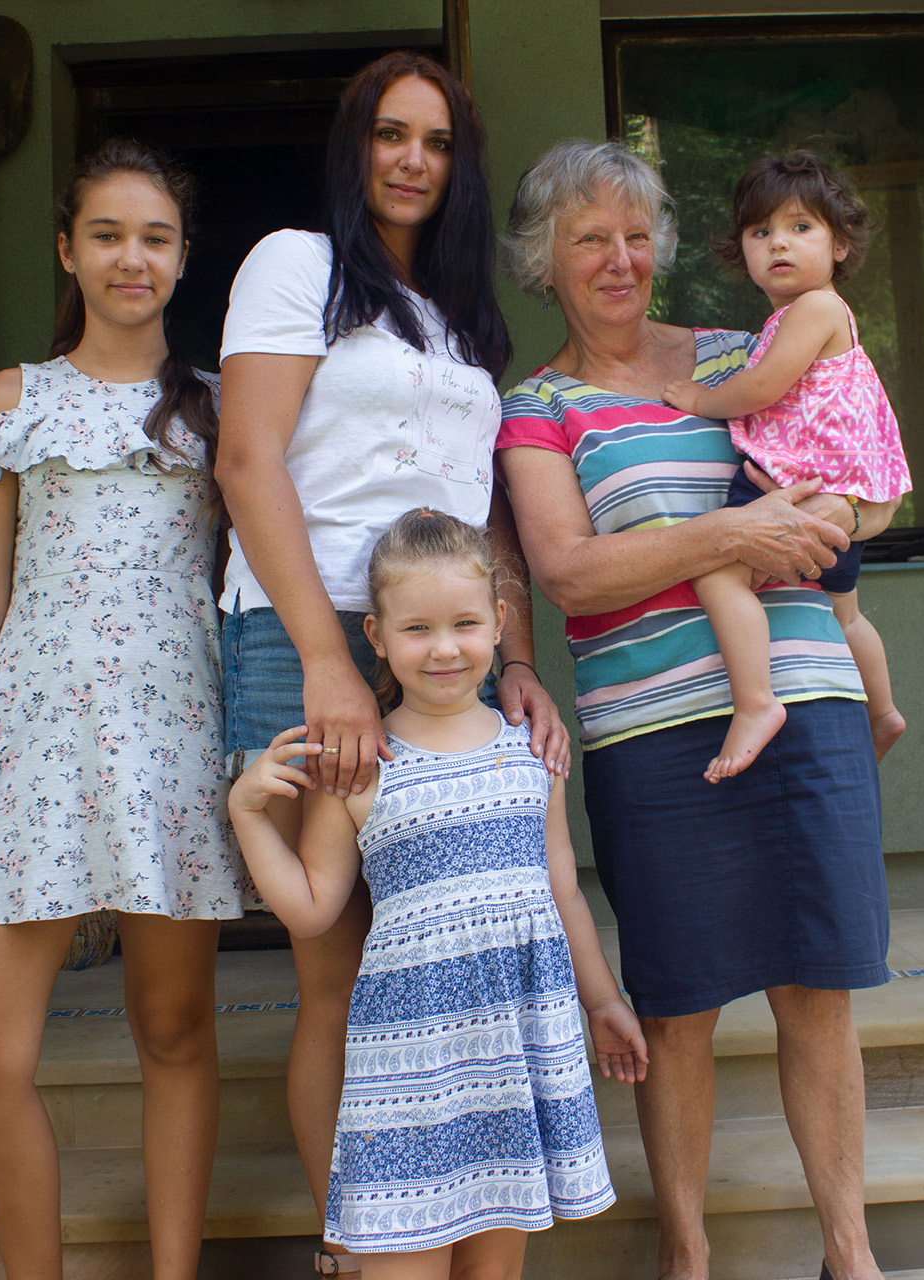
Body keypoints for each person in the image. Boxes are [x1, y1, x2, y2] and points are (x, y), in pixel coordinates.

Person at [494, 139, 896, 1280]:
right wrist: (731, 535)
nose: (619, 260)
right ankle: (687, 1253)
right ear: (547, 260)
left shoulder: (746, 351)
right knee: (677, 1004)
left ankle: (848, 1252)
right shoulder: (538, 409)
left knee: (820, 988)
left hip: (804, 693)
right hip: (650, 726)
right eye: (589, 240)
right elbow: (569, 571)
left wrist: (836, 523)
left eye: (636, 235)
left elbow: (852, 480)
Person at [212, 51, 568, 1277]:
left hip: (444, 659)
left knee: (437, 967)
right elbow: (249, 463)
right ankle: (359, 1241)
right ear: (353, 145)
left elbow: (484, 517)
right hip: (306, 636)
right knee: (344, 972)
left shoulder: (462, 311)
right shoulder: (296, 266)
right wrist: (325, 658)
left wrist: (513, 660)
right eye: (390, 134)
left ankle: (456, 1216)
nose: (413, 159)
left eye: (437, 141)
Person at [0, 138, 244, 1280]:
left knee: (176, 1030)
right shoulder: (15, 399)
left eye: (155, 237)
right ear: (67, 248)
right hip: (31, 749)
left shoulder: (219, 409)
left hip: (175, 739)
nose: (130, 258)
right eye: (106, 234)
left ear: (186, 256)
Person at [228, 510, 646, 1280]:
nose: (445, 648)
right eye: (417, 628)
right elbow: (313, 907)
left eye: (464, 624)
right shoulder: (363, 766)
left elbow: (562, 890)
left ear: (499, 624)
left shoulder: (533, 750)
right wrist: (248, 814)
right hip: (410, 1077)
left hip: (513, 1060)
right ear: (378, 637)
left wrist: (603, 999)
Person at [663, 149, 911, 779]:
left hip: (808, 494)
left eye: (801, 227)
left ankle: (755, 702)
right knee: (844, 610)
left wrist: (703, 400)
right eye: (761, 231)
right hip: (834, 492)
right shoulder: (789, 317)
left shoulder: (818, 309)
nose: (779, 243)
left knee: (719, 576)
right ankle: (882, 709)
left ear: (840, 247)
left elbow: (764, 388)